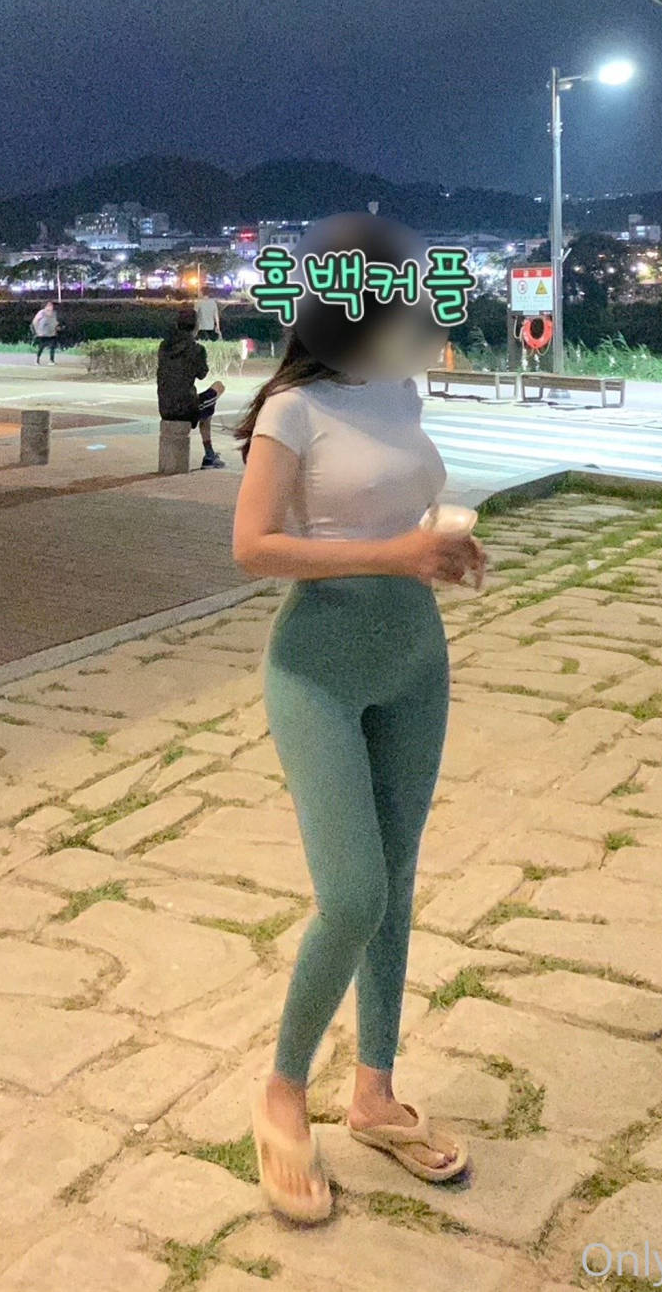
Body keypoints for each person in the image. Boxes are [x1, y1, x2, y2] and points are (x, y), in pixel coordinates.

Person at [232, 214, 484, 1225]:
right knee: (352, 894)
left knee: (400, 880)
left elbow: (401, 512)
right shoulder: (292, 410)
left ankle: (374, 1093)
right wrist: (393, 555)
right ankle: (282, 1091)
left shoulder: (399, 389)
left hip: (415, 656)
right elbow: (253, 546)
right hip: (318, 669)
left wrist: (443, 549)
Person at [157, 306, 226, 468]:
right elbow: (202, 374)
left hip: (164, 407)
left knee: (206, 406)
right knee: (218, 387)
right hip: (186, 409)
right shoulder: (197, 349)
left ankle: (210, 454)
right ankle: (209, 454)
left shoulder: (164, 346)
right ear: (196, 326)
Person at [31, 300, 59, 364]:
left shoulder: (54, 313)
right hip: (43, 333)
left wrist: (56, 328)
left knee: (52, 346)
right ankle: (37, 359)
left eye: (51, 305)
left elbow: (54, 322)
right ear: (45, 306)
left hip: (52, 333)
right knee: (41, 346)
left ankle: (51, 360)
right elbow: (35, 321)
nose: (51, 307)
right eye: (49, 305)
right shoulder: (42, 312)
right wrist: (37, 330)